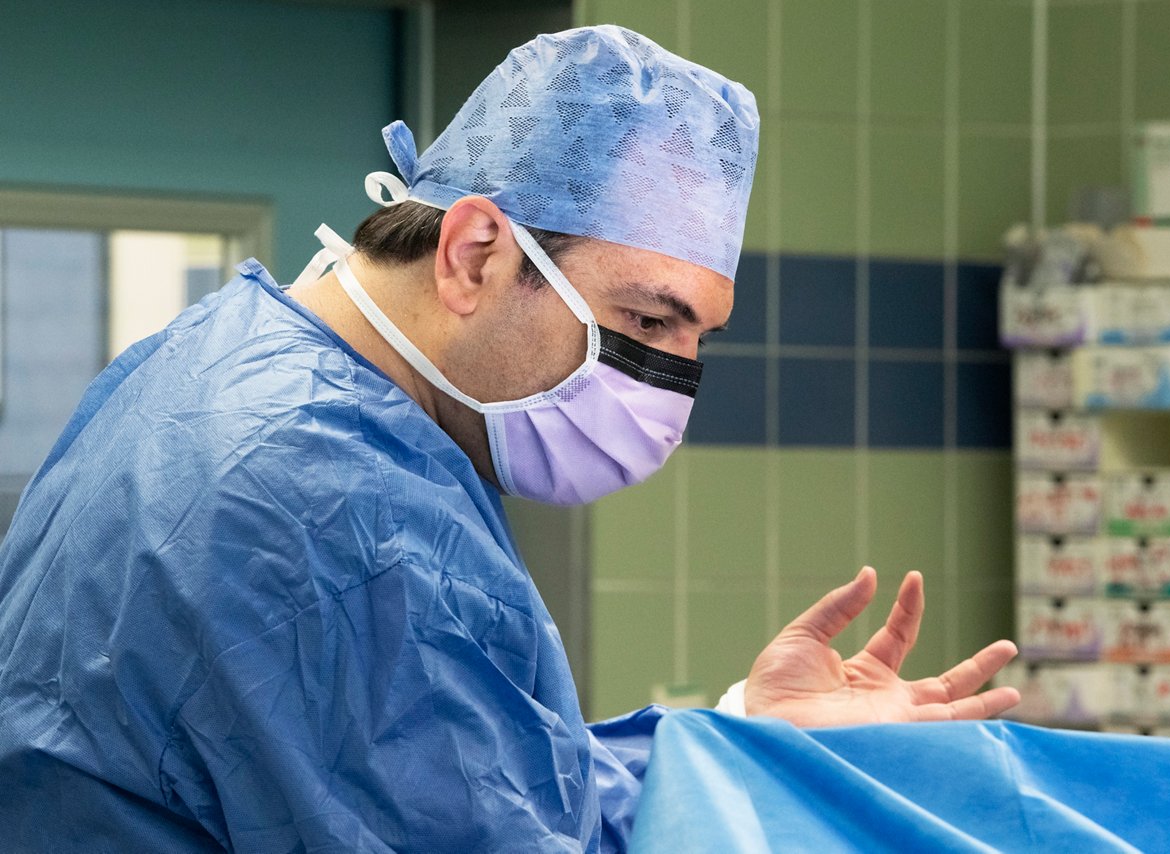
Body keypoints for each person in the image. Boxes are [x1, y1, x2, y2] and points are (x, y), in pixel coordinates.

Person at [0, 25, 1019, 852]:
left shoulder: (226, 359)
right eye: (646, 321)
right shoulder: (335, 517)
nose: (671, 382)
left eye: (697, 337)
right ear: (475, 252)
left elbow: (479, 780)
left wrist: (740, 732)